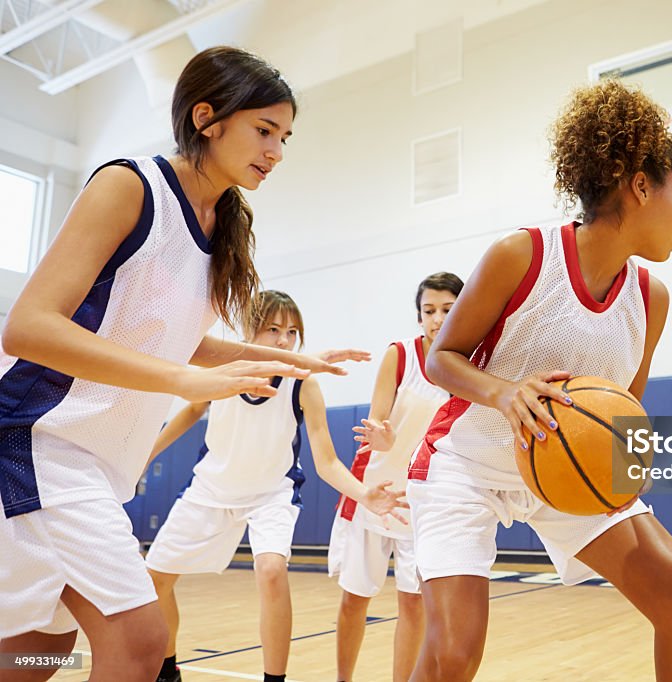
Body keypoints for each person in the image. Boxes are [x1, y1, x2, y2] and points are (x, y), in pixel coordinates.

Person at [0, 46, 358, 682]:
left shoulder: (219, 224)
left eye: (285, 137)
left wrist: (285, 358)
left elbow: (179, 343)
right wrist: (182, 381)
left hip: (99, 465)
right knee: (139, 645)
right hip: (41, 445)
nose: (276, 151)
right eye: (264, 130)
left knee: (34, 653)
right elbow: (27, 328)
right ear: (207, 118)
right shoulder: (129, 186)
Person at [404, 79, 672, 682]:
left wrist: (628, 468)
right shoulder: (522, 255)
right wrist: (505, 391)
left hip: (563, 467)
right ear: (641, 186)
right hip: (467, 464)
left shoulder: (650, 298)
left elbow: (624, 407)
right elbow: (442, 359)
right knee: (453, 653)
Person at [146, 290, 407, 682]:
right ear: (250, 330)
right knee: (155, 581)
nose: (283, 340)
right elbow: (189, 411)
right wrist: (145, 455)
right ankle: (168, 669)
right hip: (211, 489)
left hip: (272, 494)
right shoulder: (226, 369)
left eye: (291, 332)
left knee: (271, 569)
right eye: (272, 329)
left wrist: (364, 494)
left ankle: (274, 679)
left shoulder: (303, 386)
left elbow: (328, 461)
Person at [330, 272, 463, 682]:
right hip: (374, 491)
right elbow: (378, 427)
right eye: (429, 311)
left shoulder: (469, 365)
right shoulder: (400, 355)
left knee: (413, 604)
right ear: (418, 315)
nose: (437, 318)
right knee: (355, 599)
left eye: (447, 309)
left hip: (422, 502)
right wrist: (382, 435)